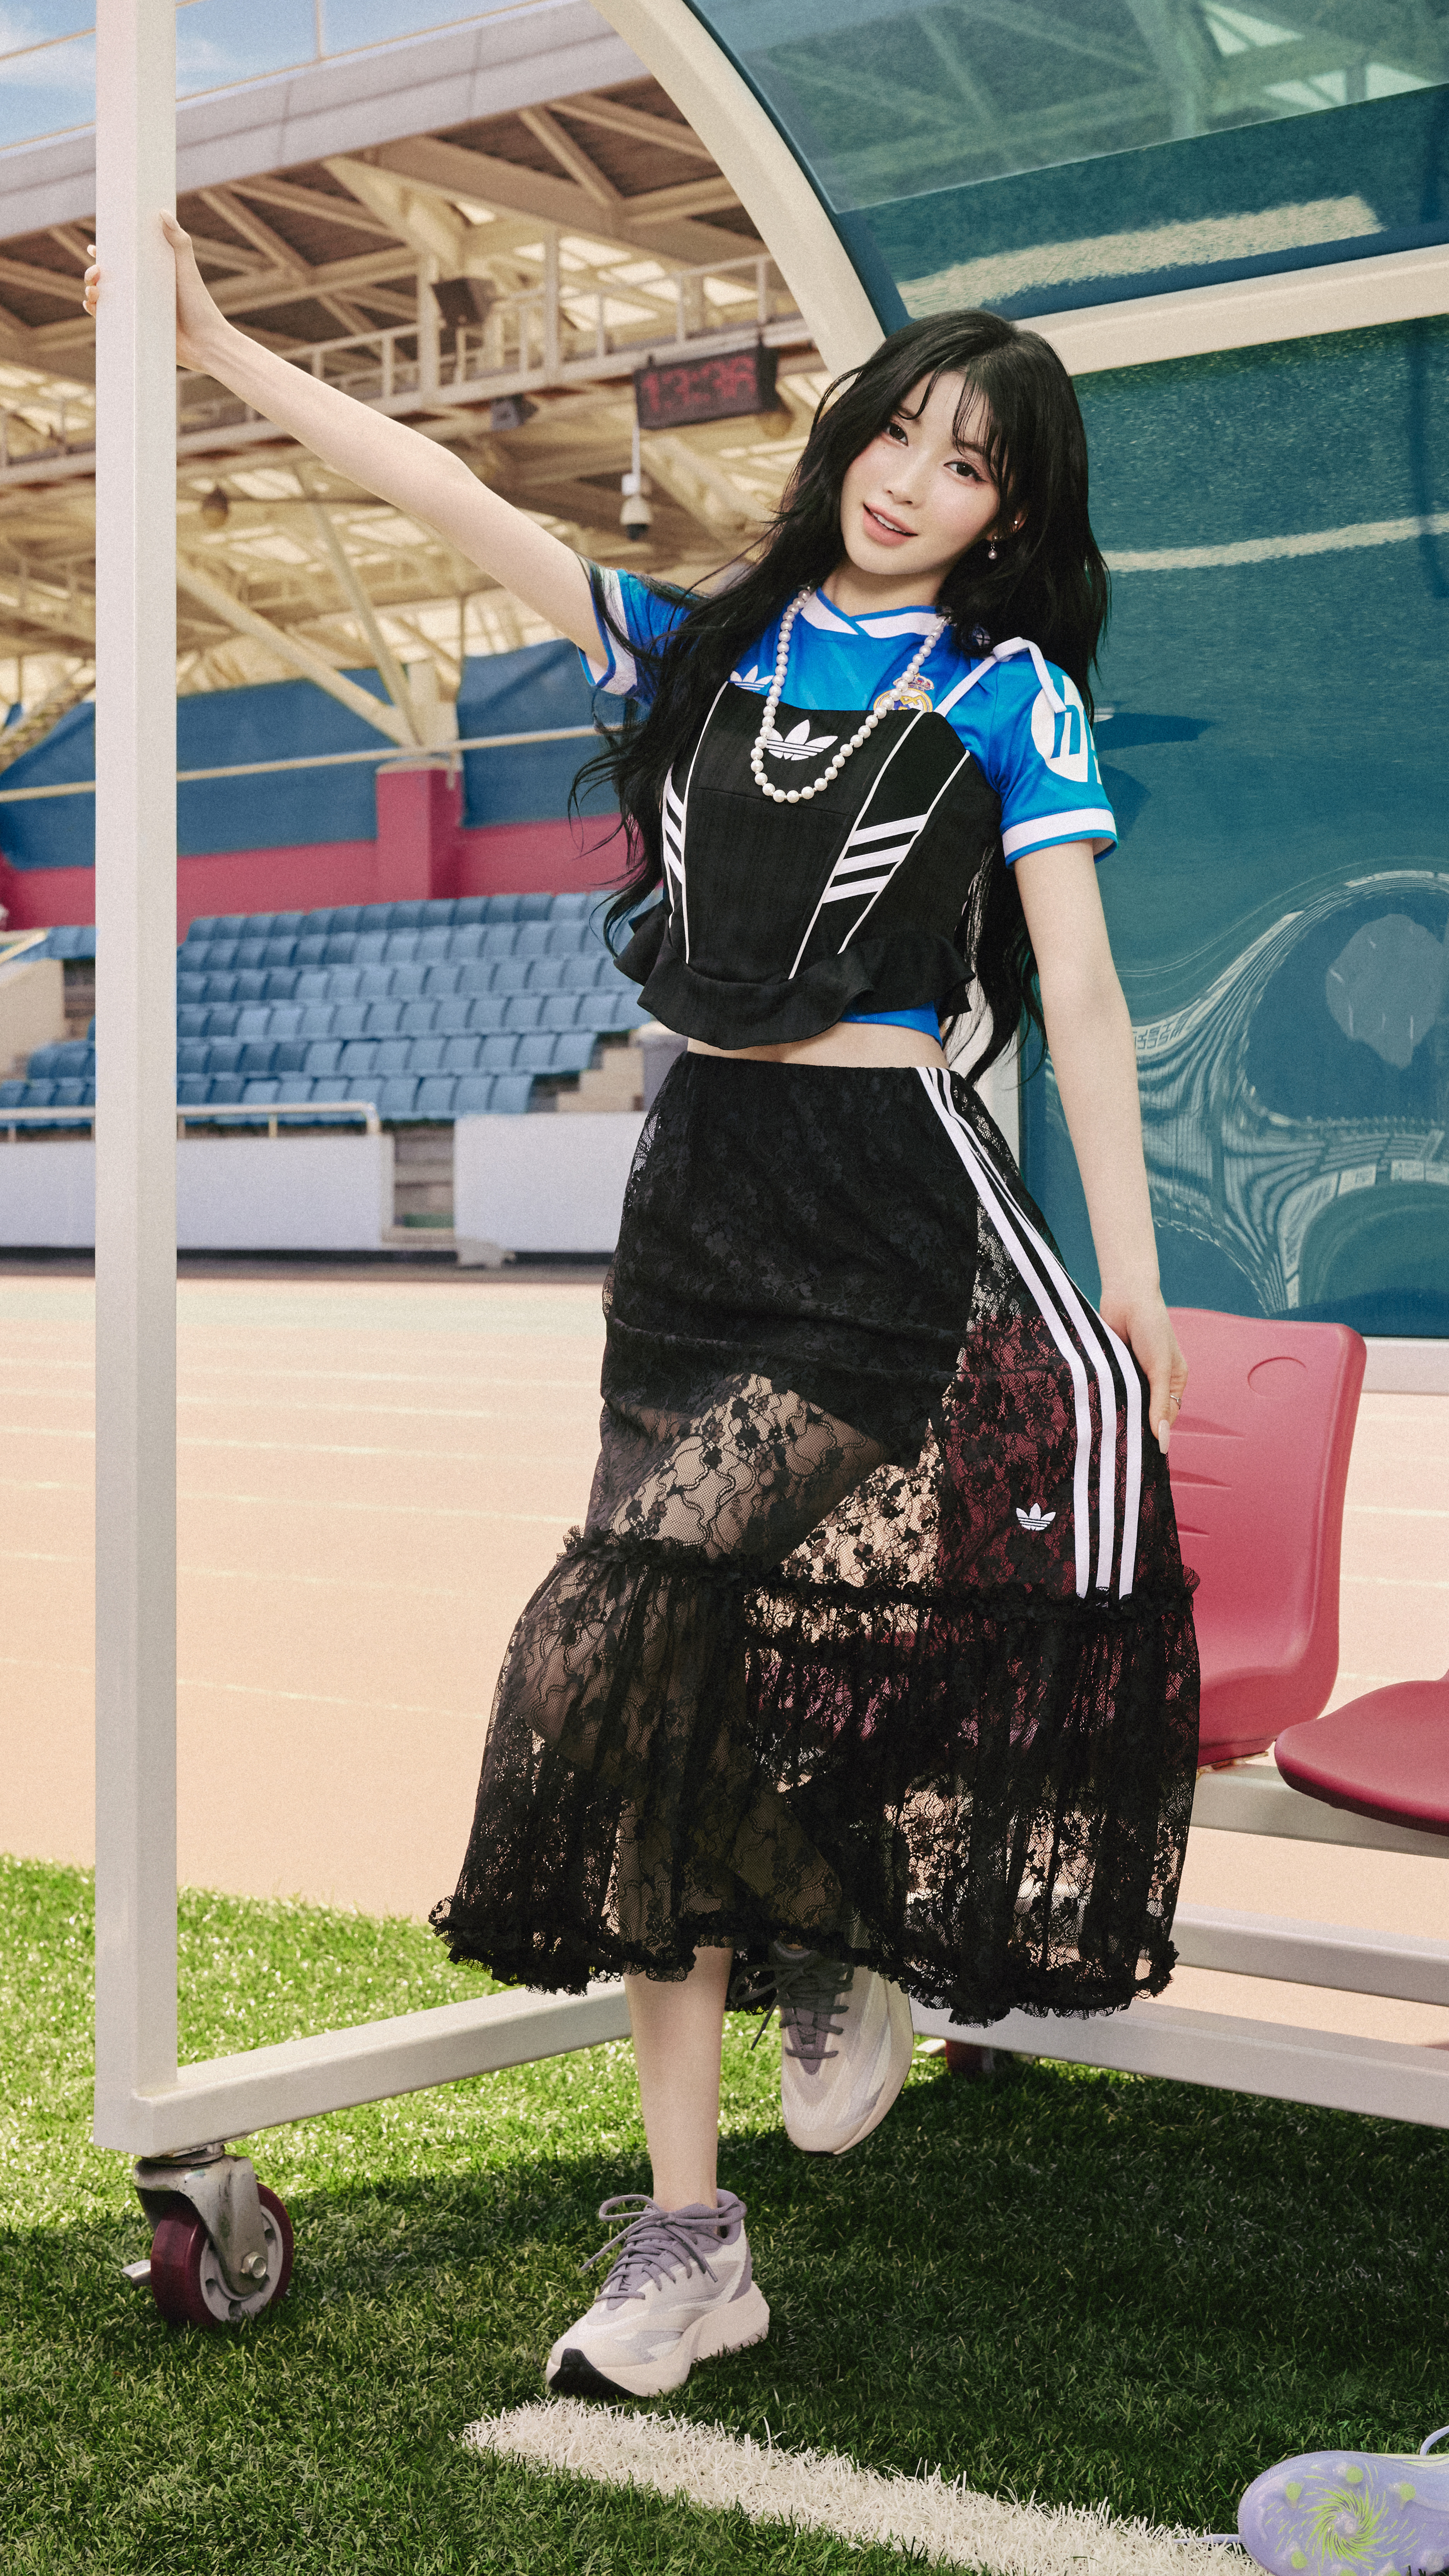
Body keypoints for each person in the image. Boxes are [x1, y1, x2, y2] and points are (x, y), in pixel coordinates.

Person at [88, 230, 1198, 2406]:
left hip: (891, 1212)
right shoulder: (698, 647)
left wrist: (1135, 1261)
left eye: (963, 465)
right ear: (847, 439)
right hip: (694, 1200)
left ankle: (819, 1934)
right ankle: (697, 2231)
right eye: (894, 431)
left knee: (604, 1635)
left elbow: (1069, 984)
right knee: (659, 1713)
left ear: (1009, 516)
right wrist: (225, 344)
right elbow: (443, 497)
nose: (906, 478)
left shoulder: (1003, 693)